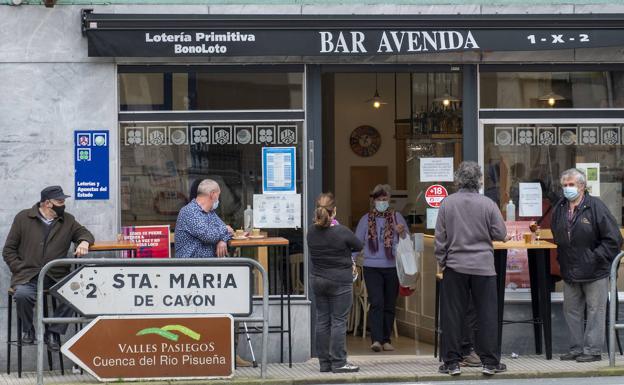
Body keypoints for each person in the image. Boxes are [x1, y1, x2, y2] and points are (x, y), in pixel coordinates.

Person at [435, 161, 509, 376]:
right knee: (486, 314)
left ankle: (451, 363)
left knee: (452, 315)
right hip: (483, 268)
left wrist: (442, 261)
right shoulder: (488, 204)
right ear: (479, 180)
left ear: (458, 179)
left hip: (455, 267)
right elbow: (500, 233)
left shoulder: (447, 204)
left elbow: (441, 238)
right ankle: (490, 362)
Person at [2, 186, 94, 351]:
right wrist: (19, 267)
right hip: (28, 276)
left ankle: (53, 332)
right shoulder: (23, 218)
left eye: (63, 201)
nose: (63, 204)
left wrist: (84, 242)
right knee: (22, 295)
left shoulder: (68, 220)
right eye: (59, 201)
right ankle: (28, 330)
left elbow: (85, 233)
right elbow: (8, 250)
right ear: (47, 203)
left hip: (56, 276)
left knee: (76, 292)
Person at [174, 178, 251, 367]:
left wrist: (223, 238)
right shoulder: (189, 212)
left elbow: (227, 231)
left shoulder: (210, 213)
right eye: (219, 195)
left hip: (210, 274)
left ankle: (231, 355)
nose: (219, 199)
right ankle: (201, 357)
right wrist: (222, 232)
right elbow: (207, 234)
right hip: (191, 275)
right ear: (213, 195)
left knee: (232, 306)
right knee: (198, 317)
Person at [551, 168, 623, 363]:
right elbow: (557, 234)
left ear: (582, 186)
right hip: (570, 270)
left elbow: (613, 239)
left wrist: (595, 257)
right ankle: (575, 348)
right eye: (565, 185)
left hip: (595, 271)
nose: (567, 189)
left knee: (595, 311)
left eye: (571, 185)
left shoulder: (595, 207)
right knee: (571, 311)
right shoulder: (560, 208)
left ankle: (592, 350)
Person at [307, 193, 363, 373]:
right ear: (334, 211)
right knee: (338, 321)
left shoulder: (311, 231)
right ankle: (339, 363)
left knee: (322, 320)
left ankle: (324, 363)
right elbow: (359, 245)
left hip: (318, 279)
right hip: (339, 280)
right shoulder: (342, 231)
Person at [353, 184, 408, 352]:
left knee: (390, 304)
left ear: (389, 200)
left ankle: (386, 339)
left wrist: (402, 232)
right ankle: (376, 339)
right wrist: (352, 262)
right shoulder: (366, 219)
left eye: (385, 199)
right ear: (373, 201)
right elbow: (357, 243)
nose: (382, 202)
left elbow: (407, 240)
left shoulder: (397, 217)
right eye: (379, 200)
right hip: (372, 267)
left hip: (392, 267)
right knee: (377, 302)